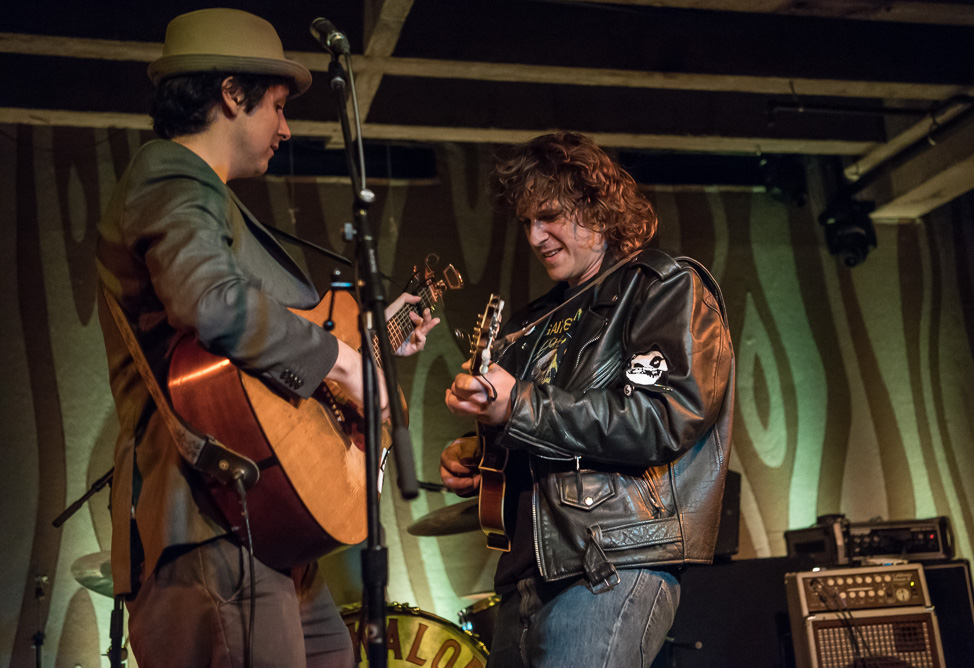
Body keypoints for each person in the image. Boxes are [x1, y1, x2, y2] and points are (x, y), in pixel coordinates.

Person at [96, 9, 437, 667]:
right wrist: (342, 365)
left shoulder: (212, 198)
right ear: (231, 94)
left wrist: (366, 343)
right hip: (205, 523)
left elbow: (256, 355)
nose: (286, 127)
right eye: (277, 106)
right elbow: (212, 304)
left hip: (257, 531)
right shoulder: (170, 173)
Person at [440, 132, 735, 667]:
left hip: (612, 565)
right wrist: (478, 453)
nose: (535, 235)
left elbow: (662, 419)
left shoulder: (664, 286)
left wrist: (519, 406)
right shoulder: (536, 320)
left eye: (549, 216)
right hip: (525, 578)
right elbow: (545, 425)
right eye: (527, 221)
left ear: (598, 208)